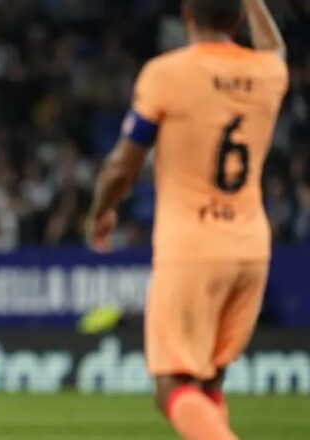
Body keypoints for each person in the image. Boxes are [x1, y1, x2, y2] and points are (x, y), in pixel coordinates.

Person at [85, 1, 287, 439]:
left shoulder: (168, 73)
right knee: (209, 379)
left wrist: (101, 212)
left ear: (187, 15)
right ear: (238, 18)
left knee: (171, 385)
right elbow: (277, 49)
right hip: (251, 247)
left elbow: (123, 165)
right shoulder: (268, 73)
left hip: (192, 248)